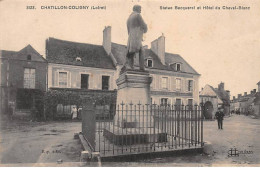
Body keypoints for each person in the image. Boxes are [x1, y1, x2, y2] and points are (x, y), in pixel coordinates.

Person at [123, 5, 148, 71]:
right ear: (136, 9)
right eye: (140, 8)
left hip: (131, 37)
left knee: (131, 51)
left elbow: (128, 30)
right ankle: (142, 67)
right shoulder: (138, 15)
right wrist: (145, 28)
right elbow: (144, 26)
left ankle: (130, 66)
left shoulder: (128, 18)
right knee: (142, 50)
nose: (141, 10)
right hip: (136, 36)